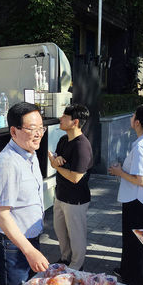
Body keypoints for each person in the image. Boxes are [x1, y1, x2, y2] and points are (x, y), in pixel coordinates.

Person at [0, 102, 48, 285]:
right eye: (32, 128)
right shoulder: (8, 164)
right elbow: (2, 215)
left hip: (28, 240)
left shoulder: (30, 154)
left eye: (41, 128)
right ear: (14, 131)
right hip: (12, 247)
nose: (38, 133)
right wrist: (30, 252)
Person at [107, 105, 143, 285]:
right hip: (139, 199)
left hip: (138, 200)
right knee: (132, 240)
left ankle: (141, 282)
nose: (131, 118)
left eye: (132, 116)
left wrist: (119, 172)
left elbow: (141, 180)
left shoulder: (141, 146)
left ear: (137, 122)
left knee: (138, 242)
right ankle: (128, 273)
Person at [48, 104, 93, 271]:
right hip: (60, 195)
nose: (60, 119)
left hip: (76, 200)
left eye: (64, 117)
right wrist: (55, 159)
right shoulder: (63, 140)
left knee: (76, 236)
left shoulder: (82, 145)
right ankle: (65, 258)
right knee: (60, 231)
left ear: (75, 122)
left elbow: (75, 177)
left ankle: (76, 267)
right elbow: (56, 158)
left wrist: (56, 165)